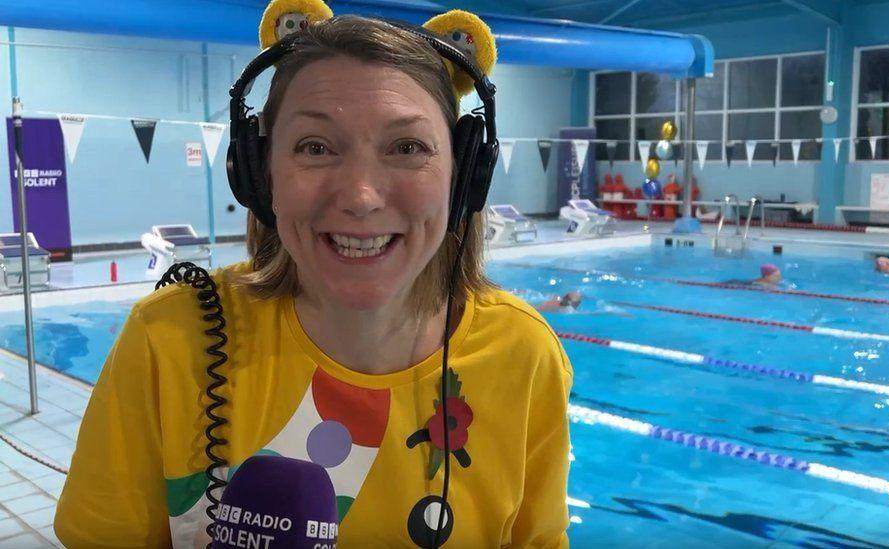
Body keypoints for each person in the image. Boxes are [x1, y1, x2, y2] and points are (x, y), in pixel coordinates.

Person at [55, 11, 572, 548]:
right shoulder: (169, 340)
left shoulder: (525, 355)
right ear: (259, 175)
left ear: (465, 176)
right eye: (315, 147)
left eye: (407, 147)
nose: (361, 197)